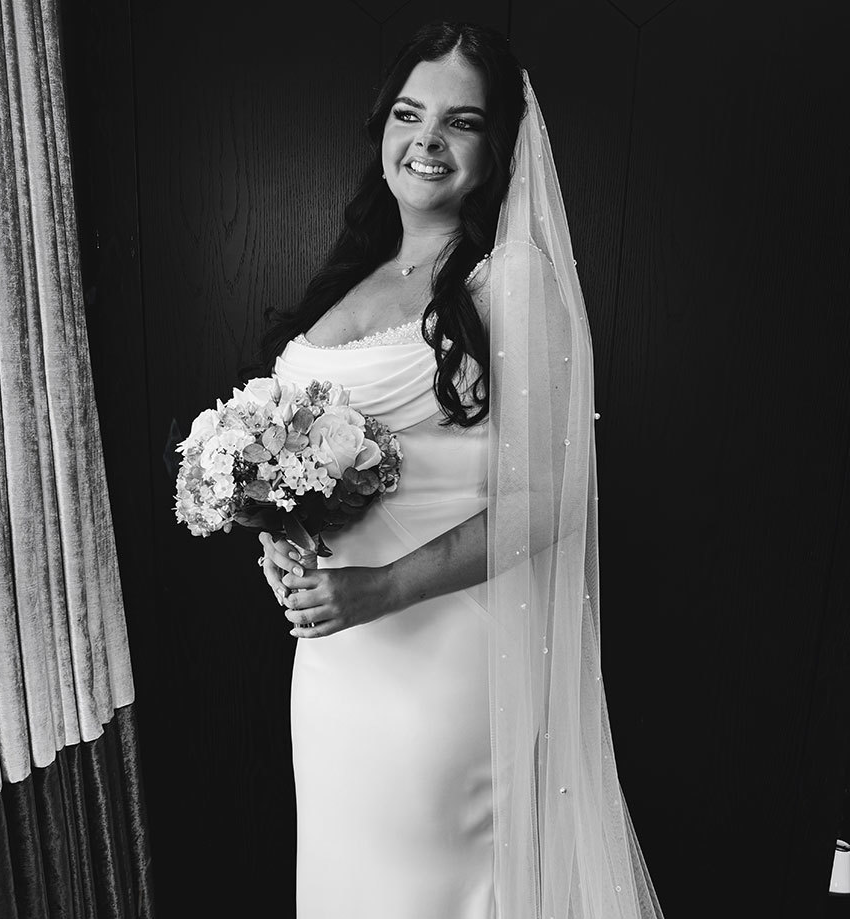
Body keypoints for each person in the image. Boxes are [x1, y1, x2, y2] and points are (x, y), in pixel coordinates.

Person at [251, 20, 665, 919]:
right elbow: (322, 466)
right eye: (409, 113)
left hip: (439, 664)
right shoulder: (353, 276)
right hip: (333, 667)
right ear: (383, 128)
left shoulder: (509, 280)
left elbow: (546, 499)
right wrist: (286, 540)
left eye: (461, 121)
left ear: (499, 146)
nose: (427, 140)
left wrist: (378, 589)